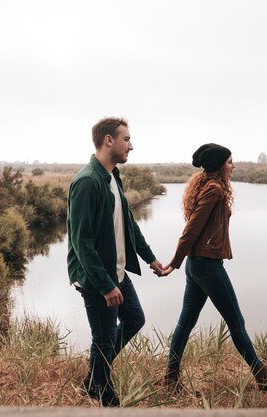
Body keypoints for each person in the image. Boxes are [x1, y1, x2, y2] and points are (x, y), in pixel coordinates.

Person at [161, 143, 267, 392]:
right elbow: (192, 229)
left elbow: (196, 228)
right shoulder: (214, 189)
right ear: (220, 165)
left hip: (197, 265)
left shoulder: (205, 185)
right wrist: (174, 263)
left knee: (185, 323)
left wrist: (182, 262)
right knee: (236, 322)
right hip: (207, 266)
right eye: (230, 162)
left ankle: (171, 378)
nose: (234, 166)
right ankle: (261, 374)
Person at [67, 117, 165, 406]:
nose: (131, 146)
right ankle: (105, 395)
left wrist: (151, 259)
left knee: (134, 319)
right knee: (104, 339)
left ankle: (93, 378)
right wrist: (105, 285)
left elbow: (129, 224)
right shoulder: (87, 182)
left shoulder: (112, 177)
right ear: (108, 140)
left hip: (117, 271)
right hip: (97, 278)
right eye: (126, 139)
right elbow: (80, 242)